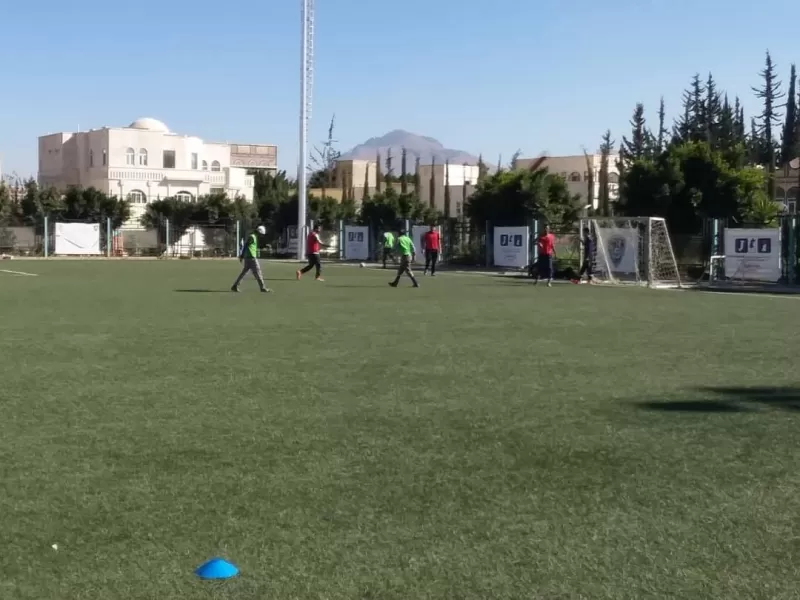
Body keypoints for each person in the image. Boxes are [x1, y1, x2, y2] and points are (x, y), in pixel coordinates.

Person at [231, 225, 271, 293]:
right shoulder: (252, 236)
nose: (261, 236)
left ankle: (235, 286)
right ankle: (262, 288)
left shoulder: (254, 236)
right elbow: (246, 245)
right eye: (261, 234)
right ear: (259, 232)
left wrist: (243, 256)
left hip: (249, 257)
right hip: (251, 257)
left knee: (244, 272)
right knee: (258, 272)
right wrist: (242, 255)